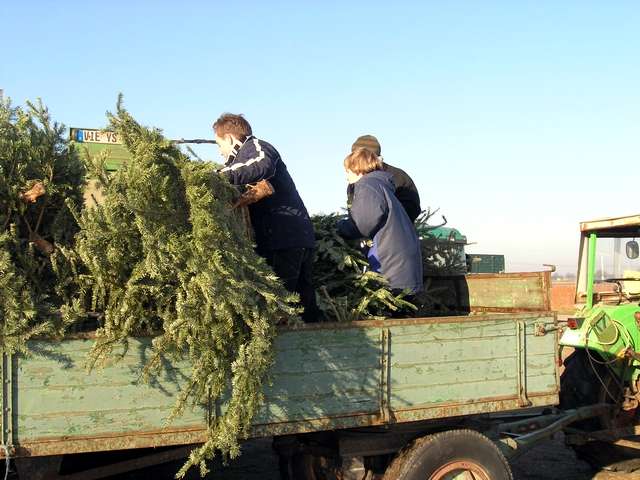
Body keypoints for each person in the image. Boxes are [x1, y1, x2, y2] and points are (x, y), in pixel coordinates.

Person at [213, 113, 319, 322]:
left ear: (230, 139)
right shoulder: (243, 159)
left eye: (219, 145)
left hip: (284, 240)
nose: (220, 152)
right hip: (291, 238)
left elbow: (262, 164)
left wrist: (216, 177)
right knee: (304, 306)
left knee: (280, 306)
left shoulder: (258, 148)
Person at [337, 147, 423, 296]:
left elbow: (363, 224)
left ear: (358, 169)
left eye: (348, 171)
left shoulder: (367, 185)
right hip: (401, 264)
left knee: (391, 313)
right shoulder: (381, 184)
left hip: (389, 266)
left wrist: (340, 227)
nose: (346, 176)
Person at [348, 134, 421, 223]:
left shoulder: (398, 177)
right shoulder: (355, 179)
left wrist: (384, 222)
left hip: (393, 233)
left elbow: (412, 208)